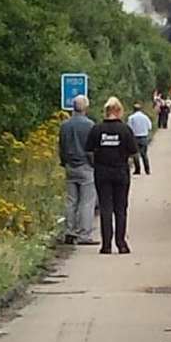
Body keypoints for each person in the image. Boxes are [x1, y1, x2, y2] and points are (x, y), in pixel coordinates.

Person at [85, 97, 138, 254]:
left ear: (106, 111)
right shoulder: (125, 130)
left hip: (102, 172)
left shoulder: (96, 129)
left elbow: (88, 151)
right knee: (120, 209)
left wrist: (96, 164)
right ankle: (121, 243)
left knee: (106, 208)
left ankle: (106, 245)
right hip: (121, 172)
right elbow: (134, 152)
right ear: (119, 111)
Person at [58, 95, 99, 246]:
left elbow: (61, 146)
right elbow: (93, 148)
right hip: (85, 166)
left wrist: (64, 162)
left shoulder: (65, 125)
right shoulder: (90, 125)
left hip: (70, 166)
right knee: (87, 201)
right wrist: (94, 164)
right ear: (86, 108)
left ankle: (69, 231)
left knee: (71, 200)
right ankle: (84, 234)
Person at [128, 103, 153, 175]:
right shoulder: (145, 117)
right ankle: (147, 170)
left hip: (135, 137)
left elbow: (129, 128)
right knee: (144, 154)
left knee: (135, 154)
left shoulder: (131, 117)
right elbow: (149, 127)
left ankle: (137, 170)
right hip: (144, 137)